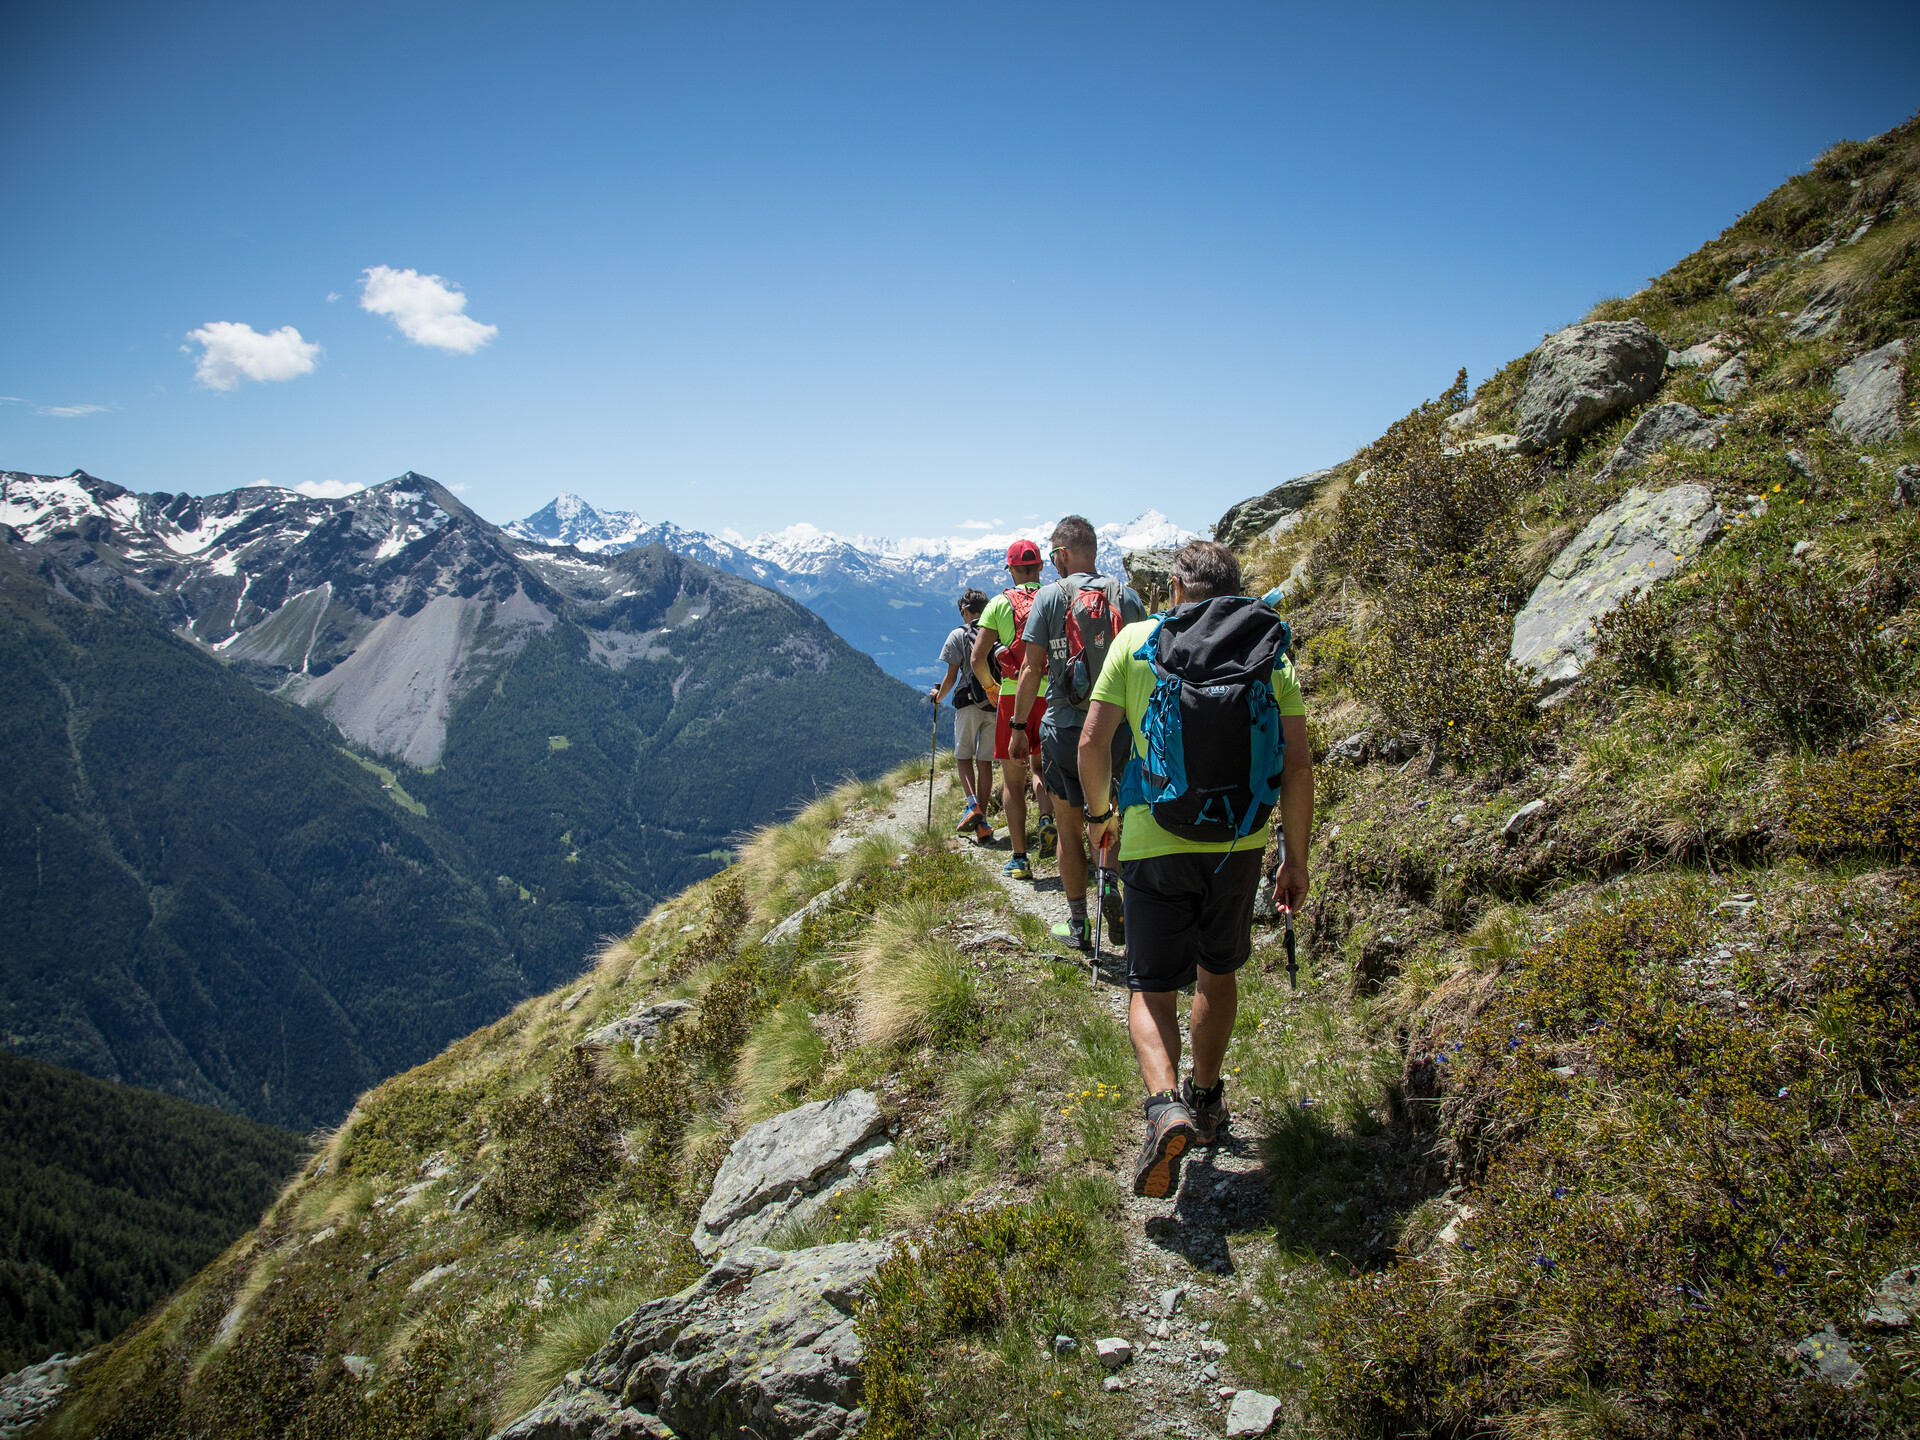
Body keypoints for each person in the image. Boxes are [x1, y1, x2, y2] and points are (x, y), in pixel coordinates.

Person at [1077, 540, 1313, 1199]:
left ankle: (1164, 1107)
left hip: (1155, 837)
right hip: (1239, 841)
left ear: (1174, 587)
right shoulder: (1267, 648)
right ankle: (1206, 1101)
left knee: (1150, 988)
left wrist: (1101, 818)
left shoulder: (1138, 640)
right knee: (1219, 970)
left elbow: (1094, 743)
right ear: (1236, 589)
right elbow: (1296, 765)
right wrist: (1293, 858)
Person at [1007, 515, 1146, 950]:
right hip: (1118, 733)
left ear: (1064, 554)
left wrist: (1016, 727)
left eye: (1053, 556)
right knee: (1113, 818)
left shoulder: (1049, 597)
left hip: (1065, 731)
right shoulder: (1130, 598)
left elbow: (1031, 667)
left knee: (1068, 827)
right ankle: (1113, 885)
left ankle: (1079, 924)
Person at [971, 539, 1055, 880]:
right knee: (1043, 767)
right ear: (1039, 567)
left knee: (1012, 779)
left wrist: (991, 687)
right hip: (1052, 695)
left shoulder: (998, 604)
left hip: (1012, 696)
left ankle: (1020, 859)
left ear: (1011, 569)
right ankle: (1049, 820)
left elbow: (978, 658)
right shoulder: (1056, 598)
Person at [928, 589, 997, 843]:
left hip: (968, 704)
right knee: (985, 762)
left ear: (964, 611)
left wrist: (938, 696)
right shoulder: (995, 630)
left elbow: (952, 676)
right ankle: (984, 823)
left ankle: (972, 806)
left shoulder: (958, 634)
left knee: (963, 756)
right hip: (994, 703)